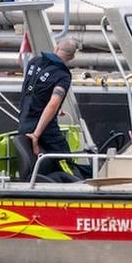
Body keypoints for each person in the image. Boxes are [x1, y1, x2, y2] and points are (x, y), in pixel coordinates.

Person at [17, 37, 86, 182]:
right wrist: (36, 135)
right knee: (65, 158)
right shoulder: (63, 75)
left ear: (56, 48)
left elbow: (34, 92)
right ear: (72, 57)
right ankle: (78, 185)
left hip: (23, 123)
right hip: (43, 129)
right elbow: (53, 104)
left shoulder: (34, 62)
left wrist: (55, 111)